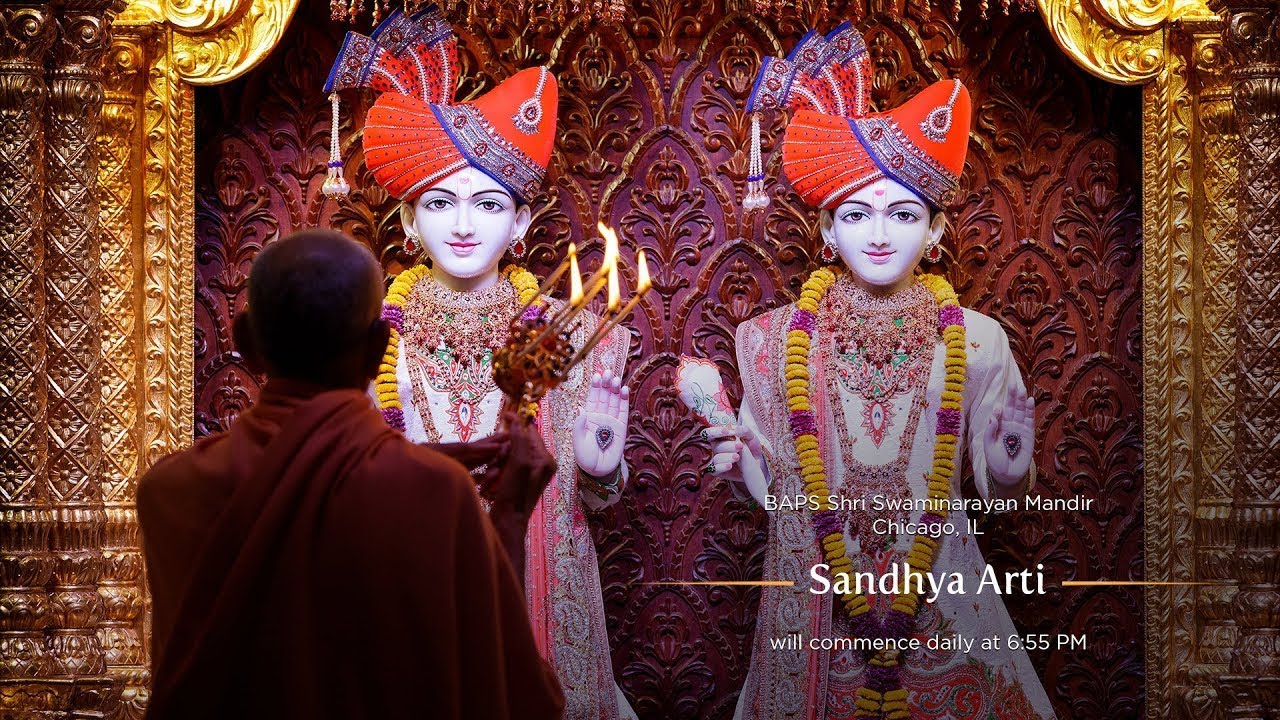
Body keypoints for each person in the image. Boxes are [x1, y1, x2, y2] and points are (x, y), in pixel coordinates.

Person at [706, 24, 1056, 720]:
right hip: (818, 614)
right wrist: (749, 463)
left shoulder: (978, 341)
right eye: (856, 214)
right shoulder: (772, 342)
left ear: (935, 231)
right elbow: (774, 495)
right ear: (826, 230)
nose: (877, 234)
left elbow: (1002, 497)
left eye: (902, 214)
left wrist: (1007, 468)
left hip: (943, 610)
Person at [323, 7, 637, 719]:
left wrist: (600, 470)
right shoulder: (363, 342)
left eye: (488, 204)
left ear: (521, 222)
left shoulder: (578, 333)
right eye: (440, 203)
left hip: (543, 602)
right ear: (409, 220)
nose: (463, 225)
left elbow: (595, 504)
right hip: (411, 595)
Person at [137, 229, 563, 720]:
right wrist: (510, 514)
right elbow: (515, 693)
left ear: (246, 343)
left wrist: (404, 459)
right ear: (380, 347)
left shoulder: (170, 490)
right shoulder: (434, 492)